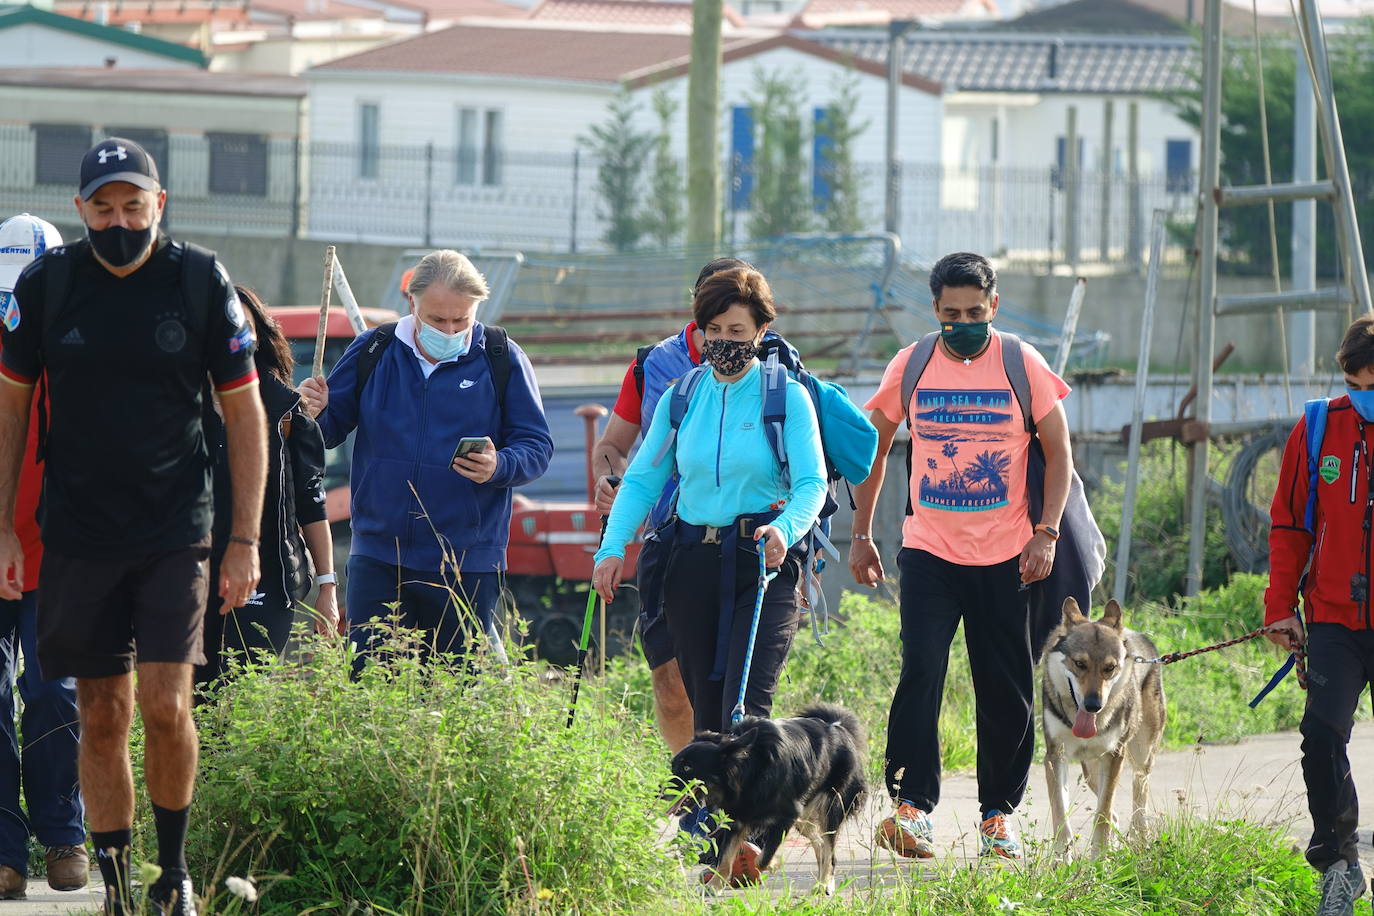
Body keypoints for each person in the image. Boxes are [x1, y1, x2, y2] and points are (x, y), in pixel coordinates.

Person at [0, 138, 268, 916]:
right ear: (81, 210)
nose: (120, 221)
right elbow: (11, 410)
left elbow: (244, 413)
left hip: (174, 530)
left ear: (160, 205)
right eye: (104, 207)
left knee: (165, 703)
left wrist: (243, 539)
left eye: (133, 205)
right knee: (100, 711)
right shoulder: (47, 287)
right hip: (78, 534)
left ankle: (173, 875)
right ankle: (116, 882)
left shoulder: (197, 279)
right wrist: (5, 529)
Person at [592, 266, 826, 879]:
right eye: (714, 328)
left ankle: (746, 841)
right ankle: (721, 843)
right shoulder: (683, 394)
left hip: (762, 562)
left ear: (762, 331)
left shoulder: (786, 396)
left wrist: (785, 530)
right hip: (692, 561)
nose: (725, 339)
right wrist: (611, 549)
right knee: (705, 710)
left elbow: (810, 483)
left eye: (738, 329)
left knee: (746, 707)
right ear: (700, 330)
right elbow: (643, 477)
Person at [849, 251, 1072, 861]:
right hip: (929, 551)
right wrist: (861, 532)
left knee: (1003, 686)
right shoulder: (913, 363)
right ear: (936, 311)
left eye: (976, 311)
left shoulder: (1022, 363)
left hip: (1006, 556)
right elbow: (874, 446)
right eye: (952, 314)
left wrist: (1045, 533)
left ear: (994, 306)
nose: (964, 322)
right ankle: (912, 807)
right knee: (922, 667)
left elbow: (1058, 453)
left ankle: (998, 817)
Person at [298, 249, 552, 665]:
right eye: (437, 320)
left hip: (467, 562)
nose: (450, 330)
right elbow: (325, 434)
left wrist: (499, 465)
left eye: (461, 320)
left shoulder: (501, 357)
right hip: (378, 557)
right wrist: (313, 414)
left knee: (460, 693)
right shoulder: (373, 351)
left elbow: (537, 447)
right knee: (373, 690)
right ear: (411, 302)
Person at [591, 257, 753, 755]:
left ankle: (738, 800)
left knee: (740, 689)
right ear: (697, 306)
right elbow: (613, 446)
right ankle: (691, 791)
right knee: (671, 682)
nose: (722, 327)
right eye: (712, 310)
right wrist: (608, 479)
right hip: (671, 540)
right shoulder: (653, 365)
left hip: (747, 542)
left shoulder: (774, 365)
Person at [1264, 315, 1374, 916]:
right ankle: (1340, 864)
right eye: (1356, 384)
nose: (1363, 397)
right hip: (1334, 618)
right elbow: (1290, 525)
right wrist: (1281, 606)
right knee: (1321, 736)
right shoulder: (1318, 427)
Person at [0, 213, 87, 899]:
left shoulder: (83, 346)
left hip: (59, 550)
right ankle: (4, 849)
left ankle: (62, 834)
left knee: (54, 692)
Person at [195, 286, 337, 689]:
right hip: (189, 576)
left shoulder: (285, 409)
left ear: (258, 334)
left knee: (241, 694)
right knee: (190, 702)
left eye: (244, 323)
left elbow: (311, 502)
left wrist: (327, 585)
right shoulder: (178, 405)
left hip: (267, 578)